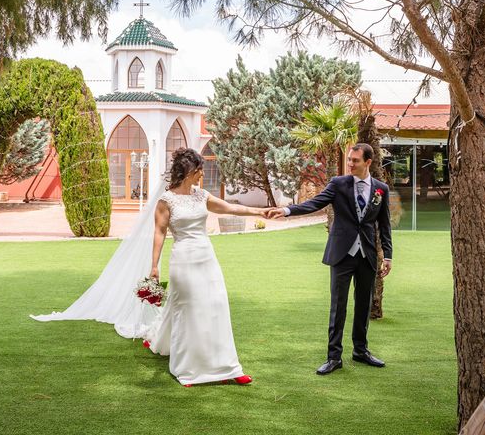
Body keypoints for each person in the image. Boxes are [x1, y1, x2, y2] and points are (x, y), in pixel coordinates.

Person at [143, 148, 271, 387]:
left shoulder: (201, 195)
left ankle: (229, 366)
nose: (202, 173)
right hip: (183, 258)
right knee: (189, 308)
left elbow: (230, 208)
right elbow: (159, 233)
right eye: (199, 169)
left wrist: (260, 211)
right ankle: (187, 368)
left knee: (215, 304)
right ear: (187, 171)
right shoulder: (166, 200)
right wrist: (154, 267)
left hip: (206, 256)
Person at [268, 143, 393, 375]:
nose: (350, 164)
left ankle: (361, 350)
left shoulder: (381, 189)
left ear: (368, 162)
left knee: (364, 305)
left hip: (367, 255)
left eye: (355, 160)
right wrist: (287, 211)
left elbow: (384, 225)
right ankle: (333, 357)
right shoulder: (338, 184)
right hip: (341, 253)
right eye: (349, 160)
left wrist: (387, 255)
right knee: (339, 305)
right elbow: (314, 203)